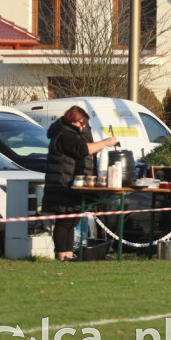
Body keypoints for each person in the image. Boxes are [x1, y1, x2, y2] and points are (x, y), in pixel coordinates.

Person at [43, 106, 117, 262]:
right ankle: (62, 256)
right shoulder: (64, 135)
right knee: (64, 221)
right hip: (62, 184)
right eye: (81, 123)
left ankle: (69, 255)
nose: (83, 126)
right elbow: (81, 149)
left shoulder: (72, 133)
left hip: (71, 184)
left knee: (72, 220)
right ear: (72, 120)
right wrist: (104, 143)